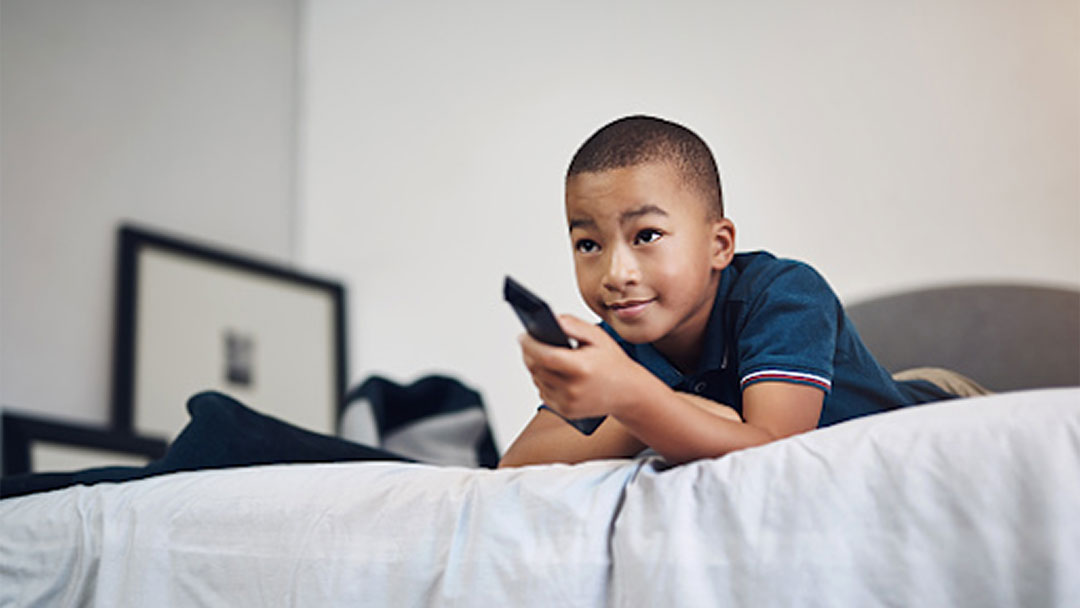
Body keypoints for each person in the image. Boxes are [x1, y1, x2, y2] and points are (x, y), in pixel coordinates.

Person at [498, 115, 981, 468]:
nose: (616, 272)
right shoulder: (618, 346)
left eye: (645, 236)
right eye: (588, 244)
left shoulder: (785, 294)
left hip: (949, 406)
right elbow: (516, 467)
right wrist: (633, 413)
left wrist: (636, 400)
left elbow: (773, 453)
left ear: (719, 245)